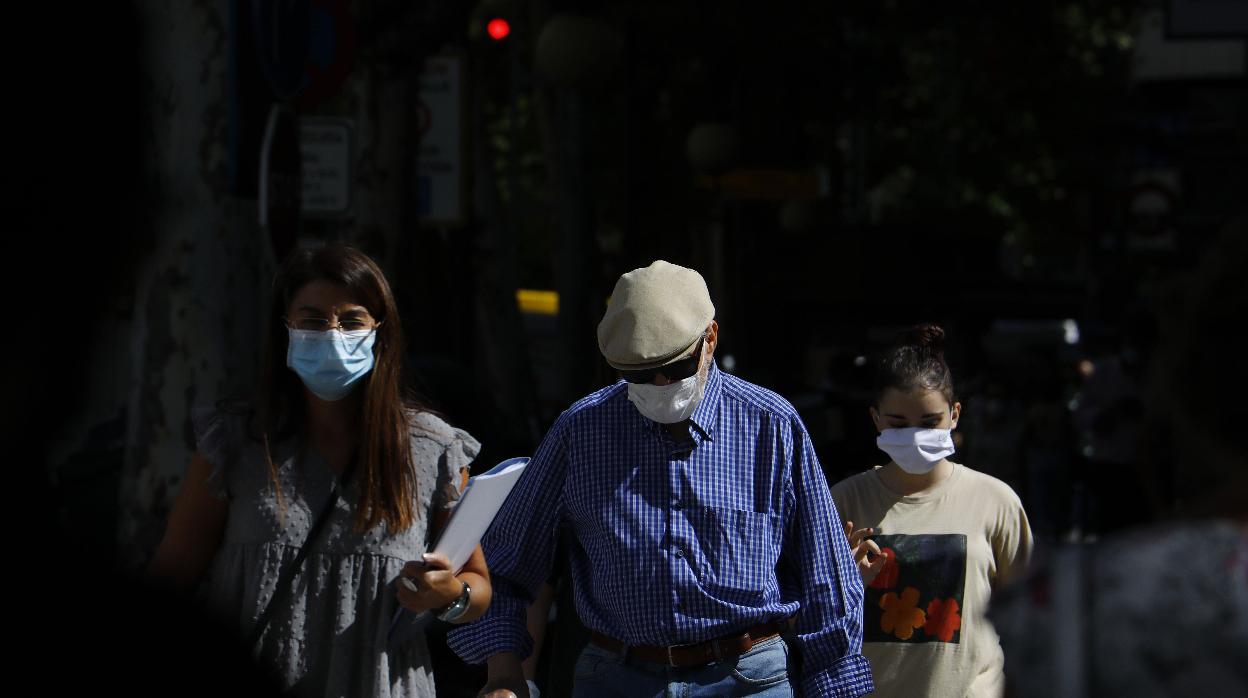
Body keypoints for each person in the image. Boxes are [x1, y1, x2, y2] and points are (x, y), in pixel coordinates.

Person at [448, 260, 873, 698]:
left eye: (673, 369)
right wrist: (503, 675)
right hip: (616, 677)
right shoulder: (580, 431)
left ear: (709, 339)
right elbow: (503, 567)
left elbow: (828, 580)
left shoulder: (771, 425)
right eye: (637, 374)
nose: (658, 384)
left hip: (749, 677)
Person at [146, 245, 492, 697]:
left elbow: (478, 588)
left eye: (351, 321)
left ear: (380, 332)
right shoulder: (236, 441)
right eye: (312, 320)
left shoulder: (432, 450)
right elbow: (173, 574)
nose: (333, 334)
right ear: (285, 329)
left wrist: (449, 595)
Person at [831, 324, 1032, 698]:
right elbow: (807, 619)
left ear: (954, 415)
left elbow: (1031, 619)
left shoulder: (996, 502)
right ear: (876, 419)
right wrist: (845, 584)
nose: (914, 436)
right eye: (898, 424)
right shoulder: (842, 502)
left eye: (929, 422)